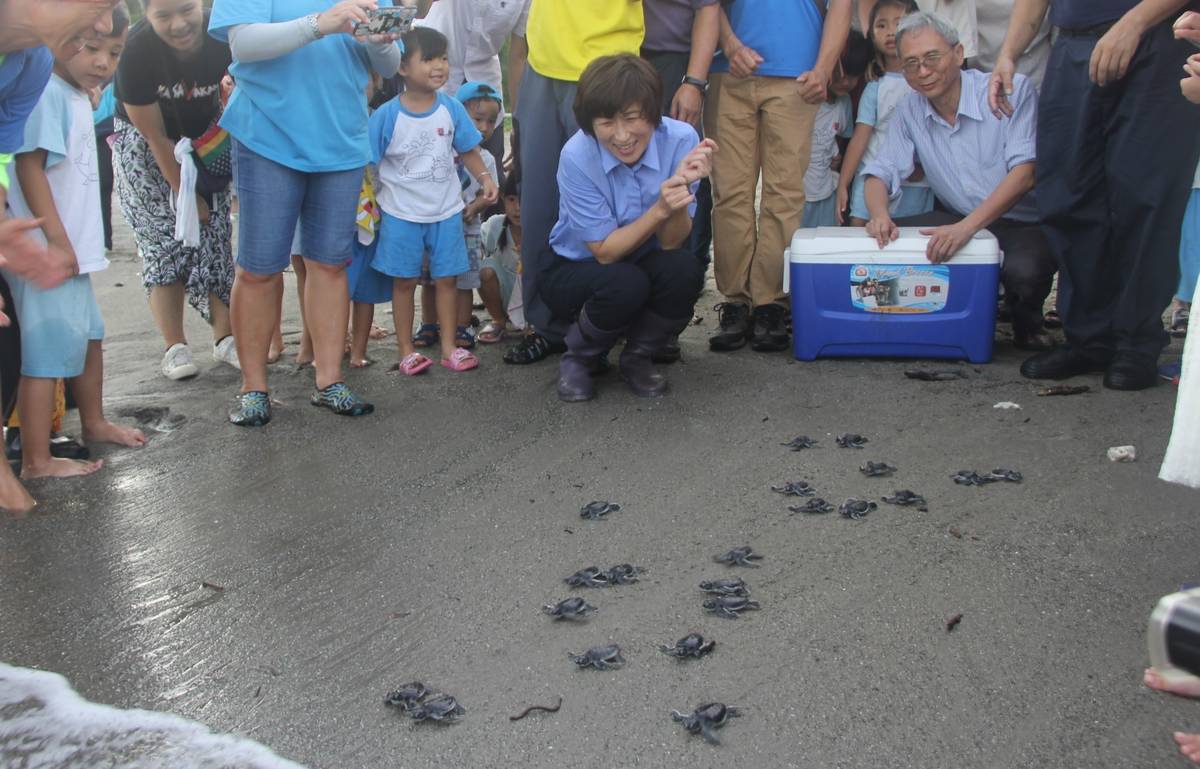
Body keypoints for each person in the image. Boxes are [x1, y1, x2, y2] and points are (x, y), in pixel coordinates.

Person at [209, 0, 403, 426]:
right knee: (259, 268)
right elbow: (243, 45)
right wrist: (321, 24)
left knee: (331, 263)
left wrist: (380, 41)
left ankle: (329, 380)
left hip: (341, 136)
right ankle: (254, 387)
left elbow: (388, 65)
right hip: (267, 133)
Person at [990, 0, 1200, 390]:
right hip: (1073, 44)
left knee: (1145, 197)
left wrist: (1134, 21)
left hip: (1156, 37)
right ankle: (1089, 337)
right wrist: (1008, 53)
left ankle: (1136, 343)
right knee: (1069, 195)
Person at [6, 1, 146, 479]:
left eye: (113, 51)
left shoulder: (74, 95)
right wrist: (57, 243)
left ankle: (94, 420)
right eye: (89, 47)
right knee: (44, 356)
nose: (102, 62)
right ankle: (37, 459)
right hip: (48, 254)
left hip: (75, 252)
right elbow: (28, 167)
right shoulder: (44, 92)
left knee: (89, 337)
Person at [861, 12, 1057, 349]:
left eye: (931, 58)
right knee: (879, 245)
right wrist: (879, 214)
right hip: (955, 214)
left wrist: (966, 229)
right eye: (910, 64)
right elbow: (880, 170)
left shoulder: (1010, 89)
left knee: (1025, 274)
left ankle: (1027, 318)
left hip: (1023, 220)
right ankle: (935, 320)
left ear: (958, 52)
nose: (923, 72)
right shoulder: (910, 109)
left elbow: (1025, 174)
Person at [538, 53, 715, 401]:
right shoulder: (577, 155)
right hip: (576, 269)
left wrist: (678, 193)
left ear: (652, 113)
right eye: (606, 122)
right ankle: (579, 359)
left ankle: (638, 357)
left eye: (632, 118)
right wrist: (658, 209)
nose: (621, 136)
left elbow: (671, 243)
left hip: (644, 259)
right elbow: (604, 252)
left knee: (684, 269)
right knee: (623, 282)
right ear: (589, 123)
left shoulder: (681, 140)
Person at [705, 0, 852, 354]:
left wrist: (824, 68)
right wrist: (729, 43)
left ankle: (772, 301)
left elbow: (841, 6)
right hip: (729, 68)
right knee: (730, 192)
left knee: (784, 193)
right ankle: (736, 300)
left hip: (798, 75)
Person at [506, 0, 646, 366]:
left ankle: (612, 327)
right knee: (538, 207)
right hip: (543, 64)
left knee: (615, 206)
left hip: (606, 68)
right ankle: (547, 327)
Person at [112, 0, 239, 382]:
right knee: (163, 240)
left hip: (205, 138)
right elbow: (153, 135)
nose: (179, 23)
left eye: (186, 10)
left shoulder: (223, 33)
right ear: (145, 14)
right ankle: (175, 346)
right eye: (163, 16)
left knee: (215, 238)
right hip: (147, 147)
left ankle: (226, 338)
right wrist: (187, 194)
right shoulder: (137, 51)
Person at [368, 26, 497, 376]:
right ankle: (407, 350)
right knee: (404, 282)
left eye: (443, 57)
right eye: (428, 59)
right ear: (402, 67)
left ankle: (449, 348)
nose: (439, 65)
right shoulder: (386, 116)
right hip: (400, 213)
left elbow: (468, 149)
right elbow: (369, 163)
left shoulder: (452, 109)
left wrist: (485, 179)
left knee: (447, 280)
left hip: (446, 213)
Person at [412, 80, 500, 351]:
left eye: (491, 121)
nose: (483, 128)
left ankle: (461, 327)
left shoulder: (486, 160)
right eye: (477, 119)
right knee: (430, 280)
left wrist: (473, 208)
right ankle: (429, 323)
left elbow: (489, 194)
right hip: (434, 226)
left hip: (467, 230)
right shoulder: (441, 151)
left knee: (464, 282)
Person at [835, 0, 933, 227]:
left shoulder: (927, 83)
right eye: (882, 25)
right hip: (871, 176)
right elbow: (860, 138)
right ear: (871, 35)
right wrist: (844, 182)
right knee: (859, 232)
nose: (891, 32)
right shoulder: (876, 86)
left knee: (912, 242)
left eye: (899, 24)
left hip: (916, 183)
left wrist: (922, 167)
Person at [414, 0, 528, 192]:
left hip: (485, 84)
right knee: (427, 168)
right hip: (433, 74)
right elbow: (419, 9)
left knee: (490, 175)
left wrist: (518, 124)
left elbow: (518, 56)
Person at [802, 30, 872, 228]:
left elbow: (843, 138)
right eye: (842, 74)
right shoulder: (806, 99)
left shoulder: (844, 104)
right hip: (799, 193)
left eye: (854, 76)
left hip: (827, 191)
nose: (846, 82)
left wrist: (837, 156)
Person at [477, 171, 522, 343]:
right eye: (511, 200)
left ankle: (538, 322)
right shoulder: (495, 225)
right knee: (484, 269)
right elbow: (475, 249)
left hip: (535, 299)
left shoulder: (542, 227)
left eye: (523, 200)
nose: (517, 208)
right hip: (506, 296)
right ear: (502, 198)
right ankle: (499, 321)